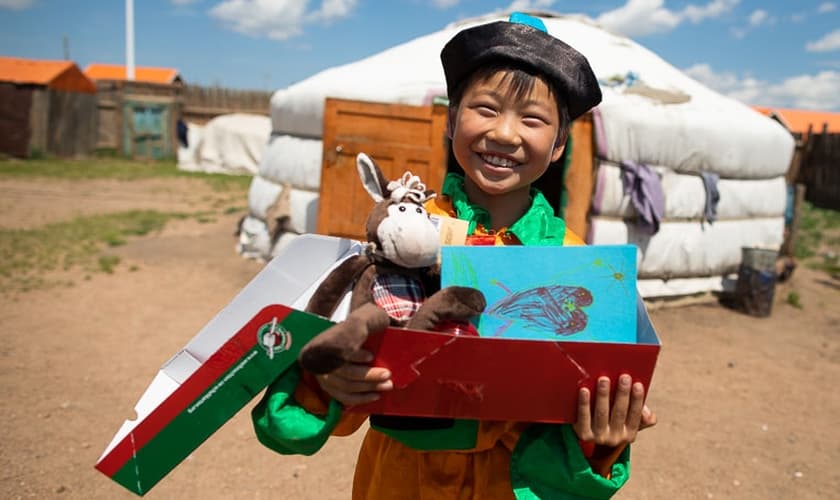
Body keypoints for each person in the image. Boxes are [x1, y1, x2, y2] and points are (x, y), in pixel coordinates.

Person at [252, 13, 656, 499]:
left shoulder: (578, 266)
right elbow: (306, 397)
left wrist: (602, 441)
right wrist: (330, 381)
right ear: (450, 119)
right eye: (485, 108)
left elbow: (582, 409)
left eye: (532, 119)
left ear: (559, 145)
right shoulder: (401, 238)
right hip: (401, 482)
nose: (505, 134)